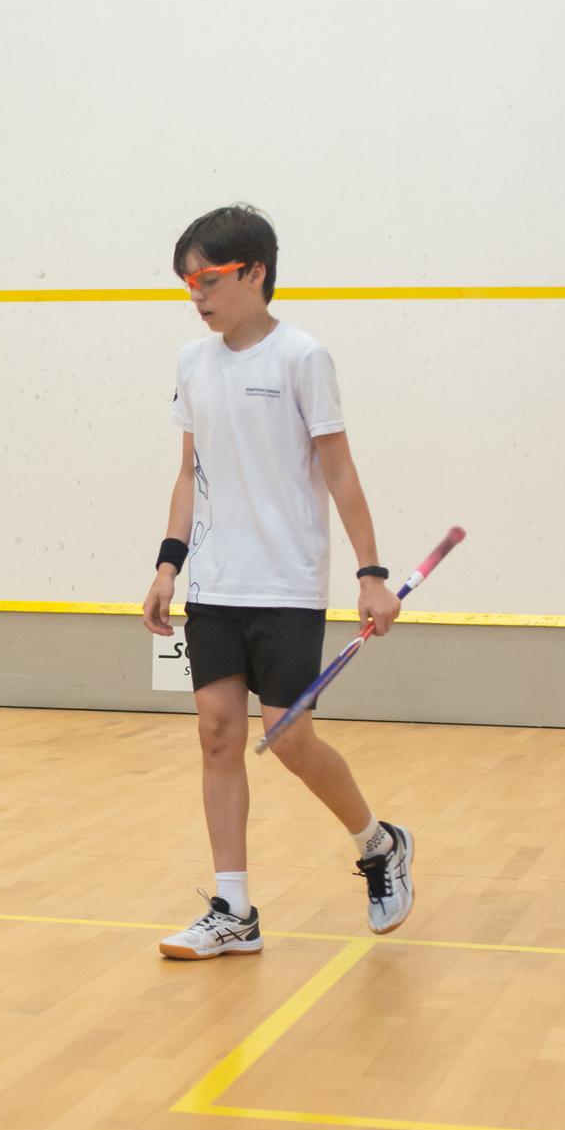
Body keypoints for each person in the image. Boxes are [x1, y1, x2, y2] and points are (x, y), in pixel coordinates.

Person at [142, 202, 411, 959]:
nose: (196, 295)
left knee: (288, 738)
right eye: (187, 282)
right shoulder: (192, 363)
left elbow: (340, 470)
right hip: (215, 583)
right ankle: (233, 909)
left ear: (255, 272)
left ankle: (378, 843)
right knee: (217, 734)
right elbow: (188, 473)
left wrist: (370, 575)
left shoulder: (301, 358)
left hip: (286, 582)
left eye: (209, 278)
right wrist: (168, 564)